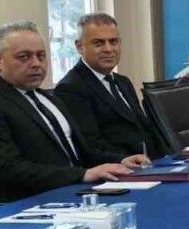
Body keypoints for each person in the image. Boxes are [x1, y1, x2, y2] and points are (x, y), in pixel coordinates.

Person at [0, 21, 146, 202]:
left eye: (41, 56)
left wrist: (121, 160)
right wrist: (83, 174)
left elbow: (80, 151)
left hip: (76, 192)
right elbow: (8, 169)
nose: (36, 63)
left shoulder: (47, 98)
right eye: (24, 57)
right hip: (32, 202)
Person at [55, 13, 167, 161]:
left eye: (113, 41)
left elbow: (145, 129)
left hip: (153, 164)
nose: (108, 49)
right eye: (98, 43)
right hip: (121, 168)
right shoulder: (71, 88)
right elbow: (90, 146)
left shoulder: (123, 81)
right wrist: (125, 161)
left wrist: (171, 157)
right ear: (80, 47)